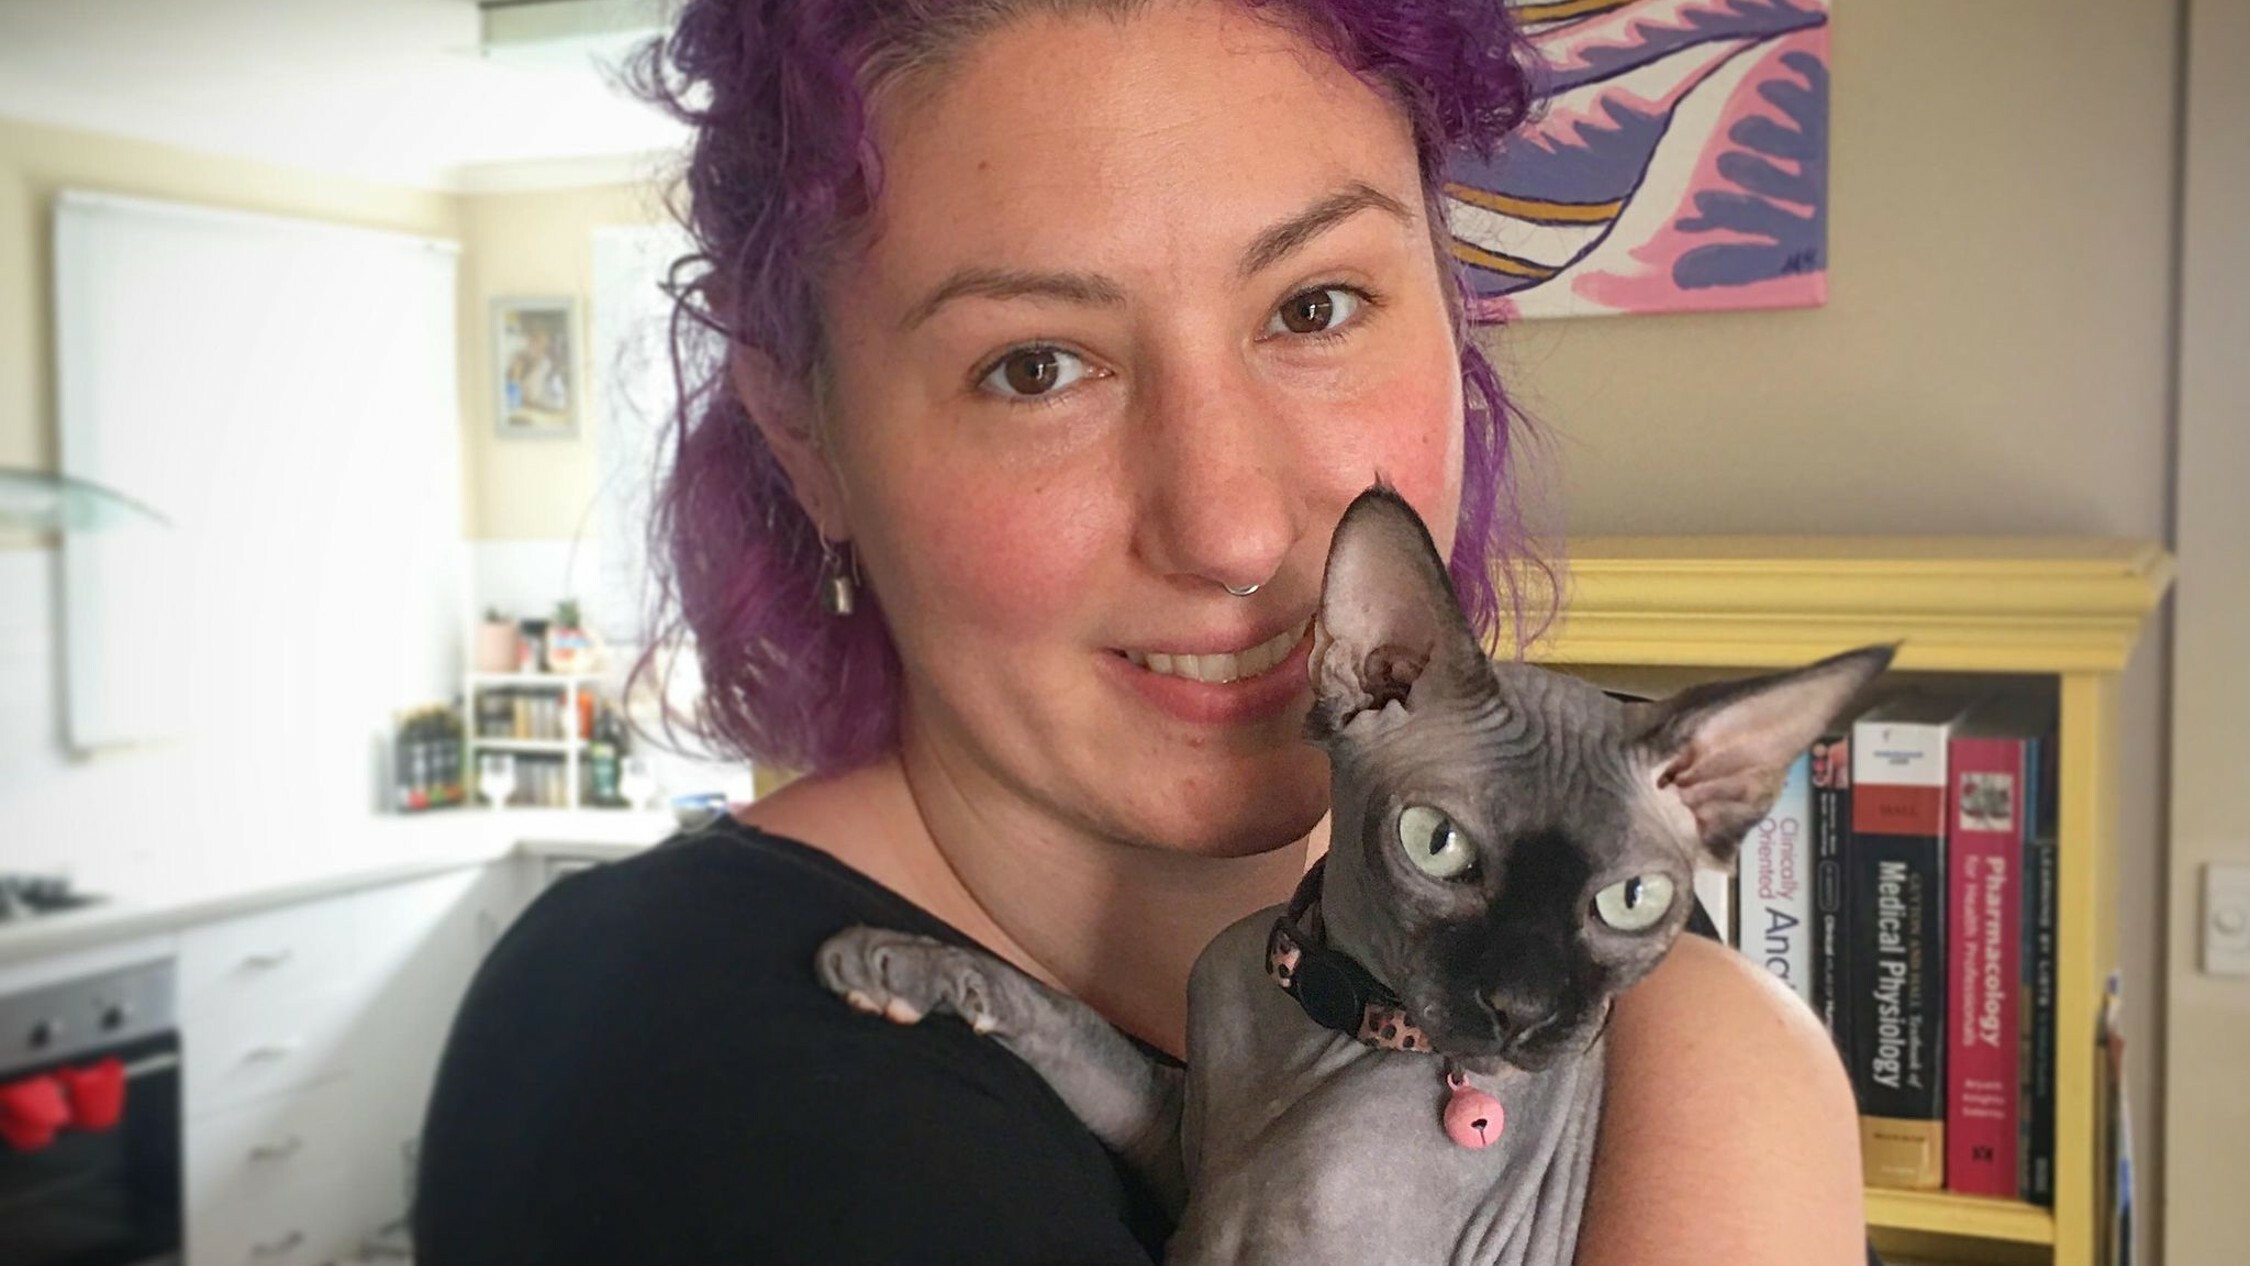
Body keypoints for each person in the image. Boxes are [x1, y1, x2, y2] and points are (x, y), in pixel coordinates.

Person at [414, 1, 1871, 1262]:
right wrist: (1723, 1080)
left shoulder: (1659, 1032)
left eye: (1314, 303)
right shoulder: (689, 1082)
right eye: (1035, 366)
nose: (1232, 528)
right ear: (802, 424)